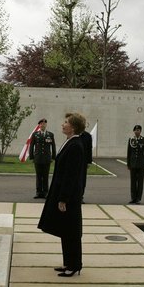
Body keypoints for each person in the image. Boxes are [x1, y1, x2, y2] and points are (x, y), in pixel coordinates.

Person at [38, 113, 85, 277]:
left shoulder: (76, 146)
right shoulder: (70, 142)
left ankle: (74, 265)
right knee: (65, 230)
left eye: (66, 122)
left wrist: (63, 198)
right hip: (62, 193)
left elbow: (70, 176)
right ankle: (68, 263)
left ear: (73, 127)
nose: (63, 124)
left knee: (71, 231)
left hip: (69, 197)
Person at [29, 118, 56, 198]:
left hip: (47, 158)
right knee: (38, 176)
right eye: (41, 124)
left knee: (45, 176)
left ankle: (45, 192)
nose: (42, 125)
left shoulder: (50, 134)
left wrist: (53, 157)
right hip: (37, 158)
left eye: (44, 124)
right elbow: (31, 146)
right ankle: (38, 192)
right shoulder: (35, 134)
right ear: (39, 125)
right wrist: (32, 157)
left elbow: (53, 146)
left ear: (46, 125)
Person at [126, 124, 144, 204]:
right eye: (135, 130)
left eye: (138, 130)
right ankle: (133, 198)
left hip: (141, 164)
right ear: (133, 131)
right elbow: (129, 153)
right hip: (133, 164)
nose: (137, 131)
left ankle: (138, 198)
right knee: (133, 182)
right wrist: (128, 164)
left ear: (140, 131)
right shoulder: (131, 140)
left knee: (140, 182)